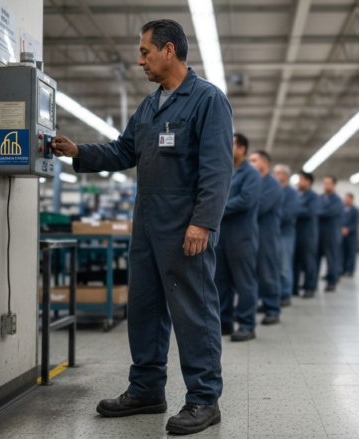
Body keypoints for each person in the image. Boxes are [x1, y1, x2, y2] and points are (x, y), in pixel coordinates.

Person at [50, 20, 232, 435]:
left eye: (145, 51)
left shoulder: (207, 100)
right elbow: (123, 150)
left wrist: (203, 223)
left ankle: (204, 398)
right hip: (146, 225)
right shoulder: (150, 107)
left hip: (185, 227)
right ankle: (147, 388)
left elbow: (218, 170)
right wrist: (80, 151)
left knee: (193, 311)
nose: (140, 59)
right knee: (144, 309)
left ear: (169, 50)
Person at [216, 133, 261, 341]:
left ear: (242, 149)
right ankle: (225, 322)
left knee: (244, 281)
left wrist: (215, 208)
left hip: (242, 235)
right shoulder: (223, 170)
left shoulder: (251, 174)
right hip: (222, 235)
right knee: (221, 281)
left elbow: (245, 200)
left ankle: (246, 324)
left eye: (231, 143)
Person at [249, 150, 283, 325]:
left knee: (268, 271)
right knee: (254, 272)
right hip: (252, 234)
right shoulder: (255, 181)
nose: (251, 163)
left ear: (264, 163)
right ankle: (262, 301)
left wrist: (242, 205)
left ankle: (272, 309)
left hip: (267, 235)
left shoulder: (273, 184)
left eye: (254, 160)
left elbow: (260, 206)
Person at [273, 164, 300, 307]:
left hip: (285, 234)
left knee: (284, 267)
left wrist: (271, 219)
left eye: (278, 173)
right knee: (273, 267)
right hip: (272, 234)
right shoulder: (274, 190)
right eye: (274, 172)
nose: (275, 175)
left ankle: (285, 294)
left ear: (285, 176)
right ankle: (275, 294)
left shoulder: (292, 193)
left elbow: (288, 214)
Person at [294, 171, 320, 299]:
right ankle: (295, 288)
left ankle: (310, 287)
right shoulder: (297, 194)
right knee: (295, 262)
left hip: (308, 235)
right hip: (296, 233)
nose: (298, 182)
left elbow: (310, 211)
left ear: (308, 182)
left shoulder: (314, 196)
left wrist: (293, 209)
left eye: (300, 180)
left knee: (309, 262)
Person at [317, 176, 343, 292]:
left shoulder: (337, 200)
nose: (326, 186)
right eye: (324, 183)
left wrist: (318, 212)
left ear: (334, 185)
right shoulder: (320, 198)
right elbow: (316, 210)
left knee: (331, 259)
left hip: (331, 235)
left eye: (328, 183)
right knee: (315, 260)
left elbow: (329, 213)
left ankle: (331, 282)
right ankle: (312, 283)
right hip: (318, 234)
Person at [340, 193, 359, 277]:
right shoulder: (342, 209)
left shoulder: (355, 210)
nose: (346, 200)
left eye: (348, 198)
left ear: (352, 199)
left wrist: (348, 229)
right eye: (345, 198)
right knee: (342, 253)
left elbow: (356, 223)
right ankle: (343, 269)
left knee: (351, 253)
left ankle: (350, 270)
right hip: (342, 234)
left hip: (351, 236)